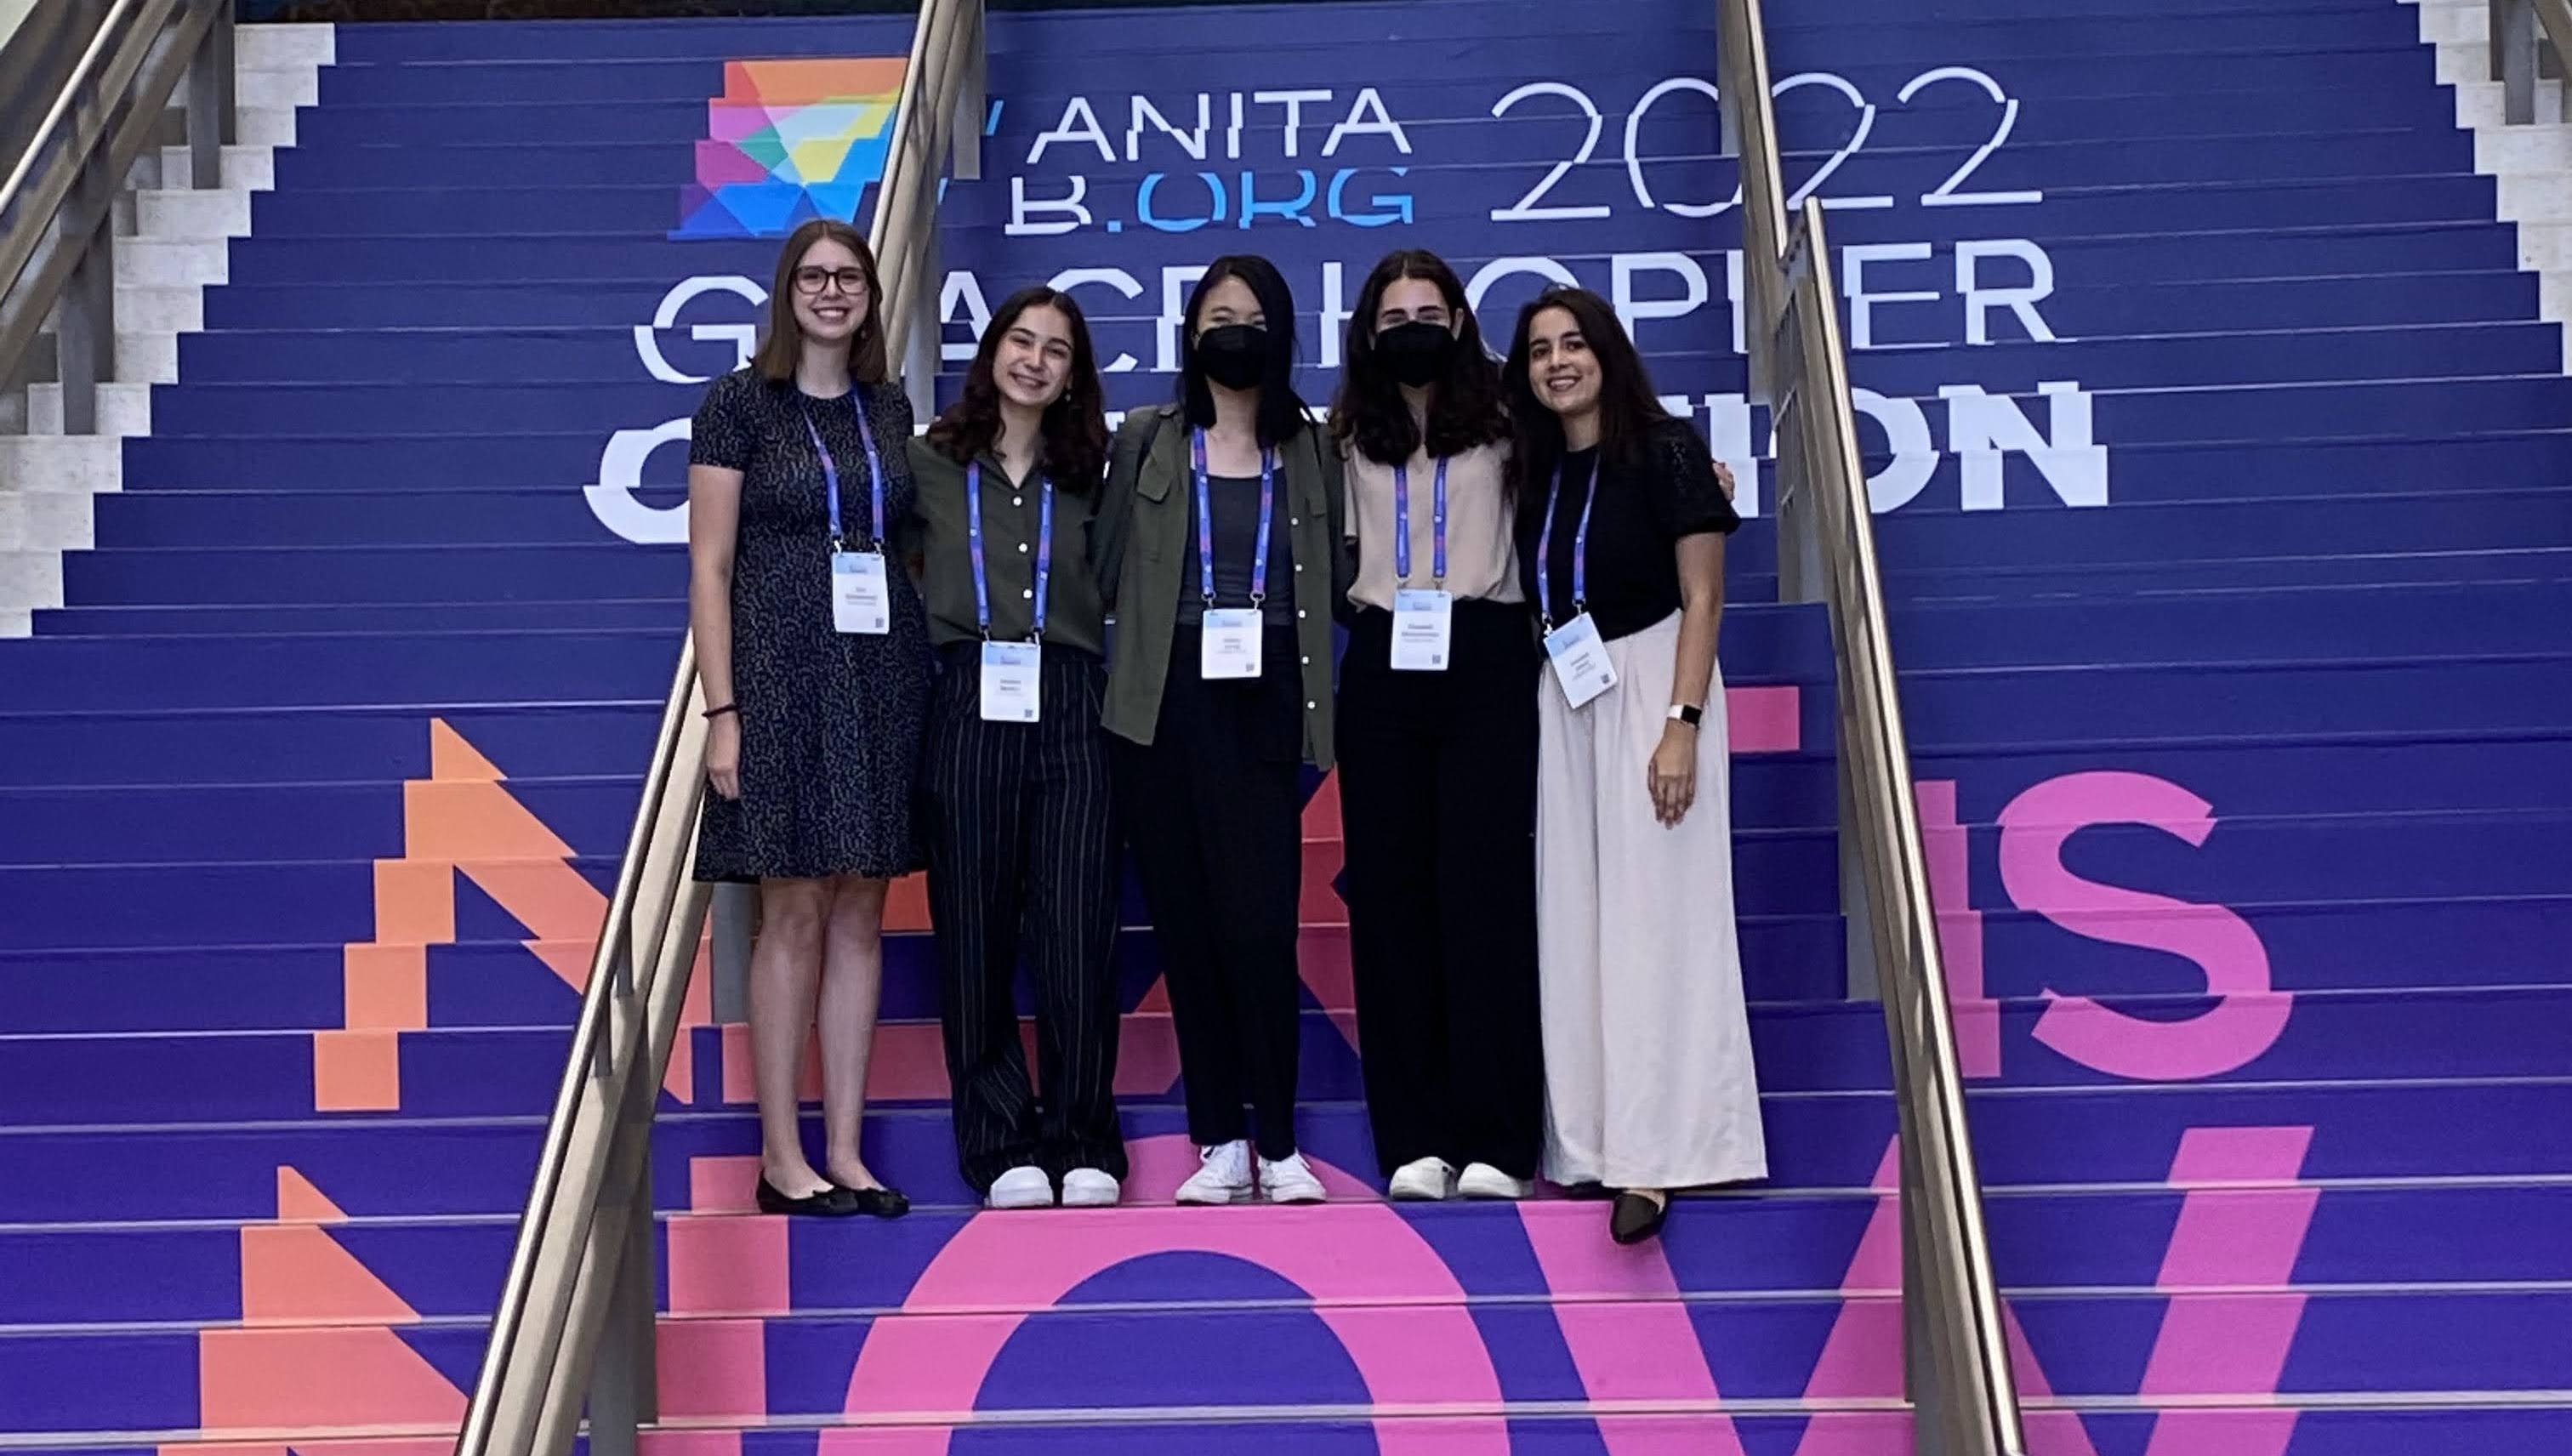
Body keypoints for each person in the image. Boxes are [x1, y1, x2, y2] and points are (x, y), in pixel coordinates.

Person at [1502, 285, 1765, 1244]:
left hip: (1658, 675)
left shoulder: (1668, 448)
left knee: (1660, 918)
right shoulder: (1530, 466)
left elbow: (1704, 595)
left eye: (1575, 343)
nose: (1558, 362)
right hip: (1566, 693)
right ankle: (1591, 1145)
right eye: (1539, 350)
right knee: (1576, 918)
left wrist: (1682, 721)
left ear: (1609, 352)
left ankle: (1663, 1154)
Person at [1092, 255, 1348, 1206]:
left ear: (1281, 333)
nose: (1232, 330)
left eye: (1251, 316)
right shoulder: (1149, 439)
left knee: (1259, 923)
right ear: (1190, 332)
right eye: (1215, 315)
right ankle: (1218, 1141)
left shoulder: (1311, 448)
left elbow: (1345, 568)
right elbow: (1102, 560)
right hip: (1163, 697)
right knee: (1189, 926)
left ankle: (1279, 1140)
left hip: (1270, 693)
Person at [686, 218, 927, 1220]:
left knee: (862, 910)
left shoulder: (889, 403)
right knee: (789, 911)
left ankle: (846, 1148)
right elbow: (708, 564)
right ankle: (783, 1156)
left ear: (872, 296)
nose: (833, 291)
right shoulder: (740, 403)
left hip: (880, 674)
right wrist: (723, 708)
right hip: (779, 676)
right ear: (786, 293)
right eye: (814, 276)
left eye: (851, 277)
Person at [1329, 249, 1544, 1203]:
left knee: (1484, 893)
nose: (1411, 324)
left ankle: (1497, 1132)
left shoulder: (1508, 418)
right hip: (1384, 659)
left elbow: (1597, 444)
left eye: (1429, 309)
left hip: (1487, 651)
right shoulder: (1344, 430)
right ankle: (1412, 1133)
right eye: (1392, 314)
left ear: (1459, 321)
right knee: (1390, 898)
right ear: (1370, 333)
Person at [906, 286, 1126, 1210]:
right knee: (976, 927)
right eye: (1020, 341)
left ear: (1076, 375)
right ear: (991, 351)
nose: (1034, 360)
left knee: (1077, 927)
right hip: (968, 691)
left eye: (1057, 350)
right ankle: (1000, 1141)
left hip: (1074, 696)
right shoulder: (925, 462)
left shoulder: (1096, 474)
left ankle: (1083, 1137)